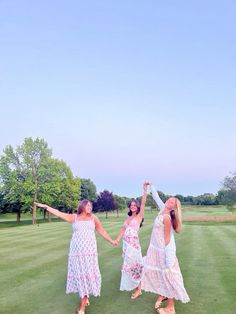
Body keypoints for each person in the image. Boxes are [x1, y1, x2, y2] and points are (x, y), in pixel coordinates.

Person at [35, 199, 116, 314]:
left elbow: (101, 231)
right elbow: (59, 213)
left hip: (89, 253)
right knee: (81, 276)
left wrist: (111, 241)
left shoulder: (94, 218)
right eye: (87, 205)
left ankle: (82, 309)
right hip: (76, 254)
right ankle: (85, 297)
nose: (90, 207)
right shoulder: (74, 217)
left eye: (90, 206)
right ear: (82, 206)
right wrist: (46, 206)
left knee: (86, 276)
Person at [141, 182, 190, 314]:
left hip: (164, 251)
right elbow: (156, 197)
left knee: (169, 277)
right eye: (170, 199)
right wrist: (151, 185)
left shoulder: (167, 217)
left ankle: (171, 308)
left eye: (173, 202)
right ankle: (165, 298)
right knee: (163, 276)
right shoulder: (163, 208)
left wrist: (168, 257)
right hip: (156, 249)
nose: (169, 201)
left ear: (174, 208)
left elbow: (167, 239)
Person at [115, 182, 148, 299]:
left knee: (135, 266)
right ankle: (137, 287)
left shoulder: (139, 216)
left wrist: (144, 190)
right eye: (131, 205)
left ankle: (138, 289)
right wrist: (117, 240)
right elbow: (122, 230)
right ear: (129, 207)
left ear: (137, 206)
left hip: (133, 246)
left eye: (135, 205)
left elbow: (144, 203)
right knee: (130, 266)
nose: (133, 206)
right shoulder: (128, 217)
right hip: (126, 245)